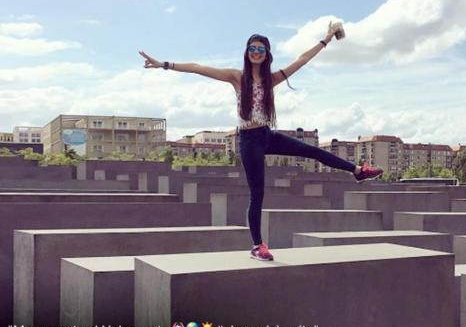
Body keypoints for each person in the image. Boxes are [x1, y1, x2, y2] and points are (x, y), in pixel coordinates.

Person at [139, 24, 383, 261]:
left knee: (312, 151)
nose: (256, 53)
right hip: (248, 140)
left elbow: (302, 59)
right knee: (257, 193)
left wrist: (327, 38)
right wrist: (164, 65)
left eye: (261, 49)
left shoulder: (272, 79)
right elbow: (198, 68)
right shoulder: (237, 77)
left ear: (267, 54)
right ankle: (257, 246)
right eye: (252, 49)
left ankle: (358, 171)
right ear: (247, 53)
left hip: (267, 135)